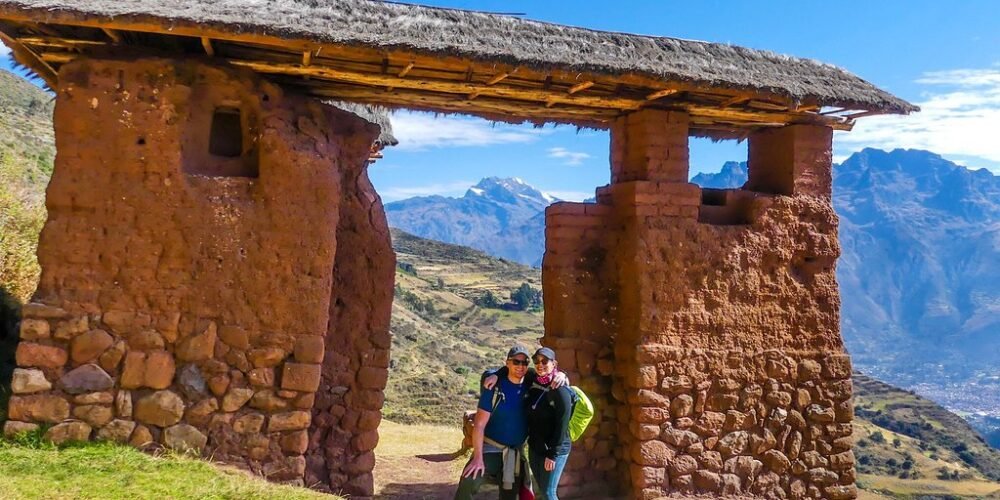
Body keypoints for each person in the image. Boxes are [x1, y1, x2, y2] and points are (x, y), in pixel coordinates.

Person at [454, 345, 534, 500]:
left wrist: (562, 377)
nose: (520, 366)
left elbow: (549, 374)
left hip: (513, 454)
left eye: (524, 363)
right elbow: (479, 425)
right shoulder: (494, 387)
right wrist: (477, 458)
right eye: (516, 362)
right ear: (507, 363)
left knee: (509, 493)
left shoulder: (530, 386)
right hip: (490, 449)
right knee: (469, 481)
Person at [524, 347, 573, 500]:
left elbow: (562, 424)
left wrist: (552, 454)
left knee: (548, 493)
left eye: (545, 361)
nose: (540, 364)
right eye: (537, 361)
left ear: (554, 363)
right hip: (536, 447)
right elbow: (509, 369)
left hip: (554, 450)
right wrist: (492, 376)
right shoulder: (532, 379)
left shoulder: (560, 390)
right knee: (542, 489)